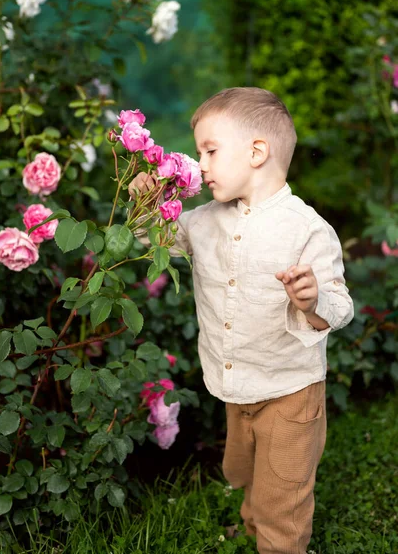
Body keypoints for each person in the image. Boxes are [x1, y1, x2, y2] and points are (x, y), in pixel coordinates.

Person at [128, 87, 354, 554]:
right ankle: (254, 524)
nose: (202, 165)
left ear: (257, 152)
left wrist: (311, 300)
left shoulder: (307, 229)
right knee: (248, 469)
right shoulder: (204, 220)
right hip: (236, 383)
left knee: (283, 490)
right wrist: (144, 205)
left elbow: (339, 305)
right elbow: (155, 240)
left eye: (210, 150)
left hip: (290, 389)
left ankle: (279, 542)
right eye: (198, 153)